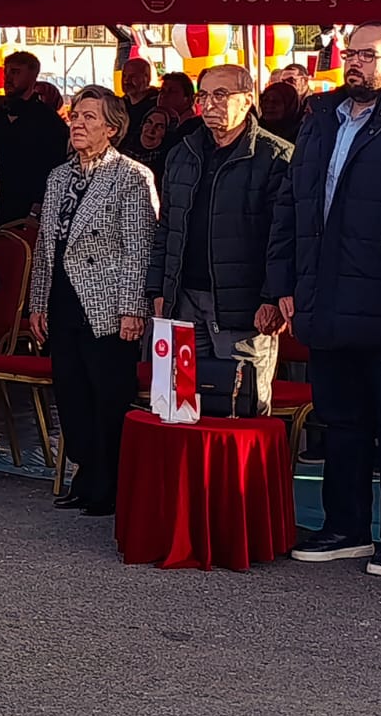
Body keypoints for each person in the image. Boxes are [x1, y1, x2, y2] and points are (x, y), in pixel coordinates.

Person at [270, 21, 381, 576]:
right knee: (340, 419)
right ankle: (346, 528)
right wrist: (286, 283)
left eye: (366, 54)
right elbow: (291, 206)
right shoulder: (320, 118)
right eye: (350, 52)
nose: (353, 61)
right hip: (324, 293)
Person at [29, 86, 158, 517]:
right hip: (63, 297)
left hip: (106, 303)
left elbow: (140, 247)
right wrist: (37, 302)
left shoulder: (131, 176)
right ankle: (86, 474)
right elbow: (48, 245)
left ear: (112, 127)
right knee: (71, 394)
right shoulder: (58, 176)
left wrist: (132, 309)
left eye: (89, 117)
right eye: (76, 116)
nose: (78, 124)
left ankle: (110, 484)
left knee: (108, 395)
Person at [148, 65, 289, 416]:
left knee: (242, 411)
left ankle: (242, 474)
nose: (210, 104)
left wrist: (272, 297)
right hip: (183, 303)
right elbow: (166, 228)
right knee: (180, 409)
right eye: (204, 96)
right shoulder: (183, 153)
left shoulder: (275, 157)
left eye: (221, 95)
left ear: (248, 100)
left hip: (244, 308)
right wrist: (157, 290)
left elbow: (284, 237)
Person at [0, 50, 70, 224]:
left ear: (32, 76)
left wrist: (38, 207)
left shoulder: (49, 121)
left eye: (15, 72)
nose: (8, 78)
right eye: (7, 72)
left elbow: (56, 168)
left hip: (27, 210)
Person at [158, 71, 198, 138]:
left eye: (172, 91)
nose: (164, 95)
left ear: (188, 99)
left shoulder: (194, 130)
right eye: (162, 91)